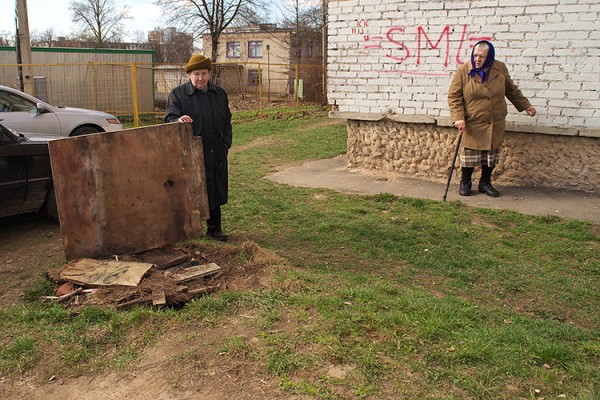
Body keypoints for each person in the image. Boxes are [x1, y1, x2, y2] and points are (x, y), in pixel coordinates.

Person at [447, 40, 536, 197]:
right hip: (473, 120)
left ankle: (485, 183)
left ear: (490, 57)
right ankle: (465, 182)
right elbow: (454, 96)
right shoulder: (464, 70)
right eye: (475, 55)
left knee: (491, 155)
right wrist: (458, 118)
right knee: (469, 155)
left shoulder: (499, 68)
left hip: (494, 120)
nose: (477, 59)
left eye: (481, 56)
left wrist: (526, 106)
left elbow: (511, 90)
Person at [165, 54, 232, 241]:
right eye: (196, 74)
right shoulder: (178, 95)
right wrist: (178, 120)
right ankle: (188, 229)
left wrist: (226, 143)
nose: (200, 78)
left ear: (209, 74)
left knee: (214, 189)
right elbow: (169, 117)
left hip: (217, 150)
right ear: (189, 75)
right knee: (190, 190)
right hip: (191, 153)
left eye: (204, 73)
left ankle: (214, 228)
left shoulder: (219, 94)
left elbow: (227, 120)